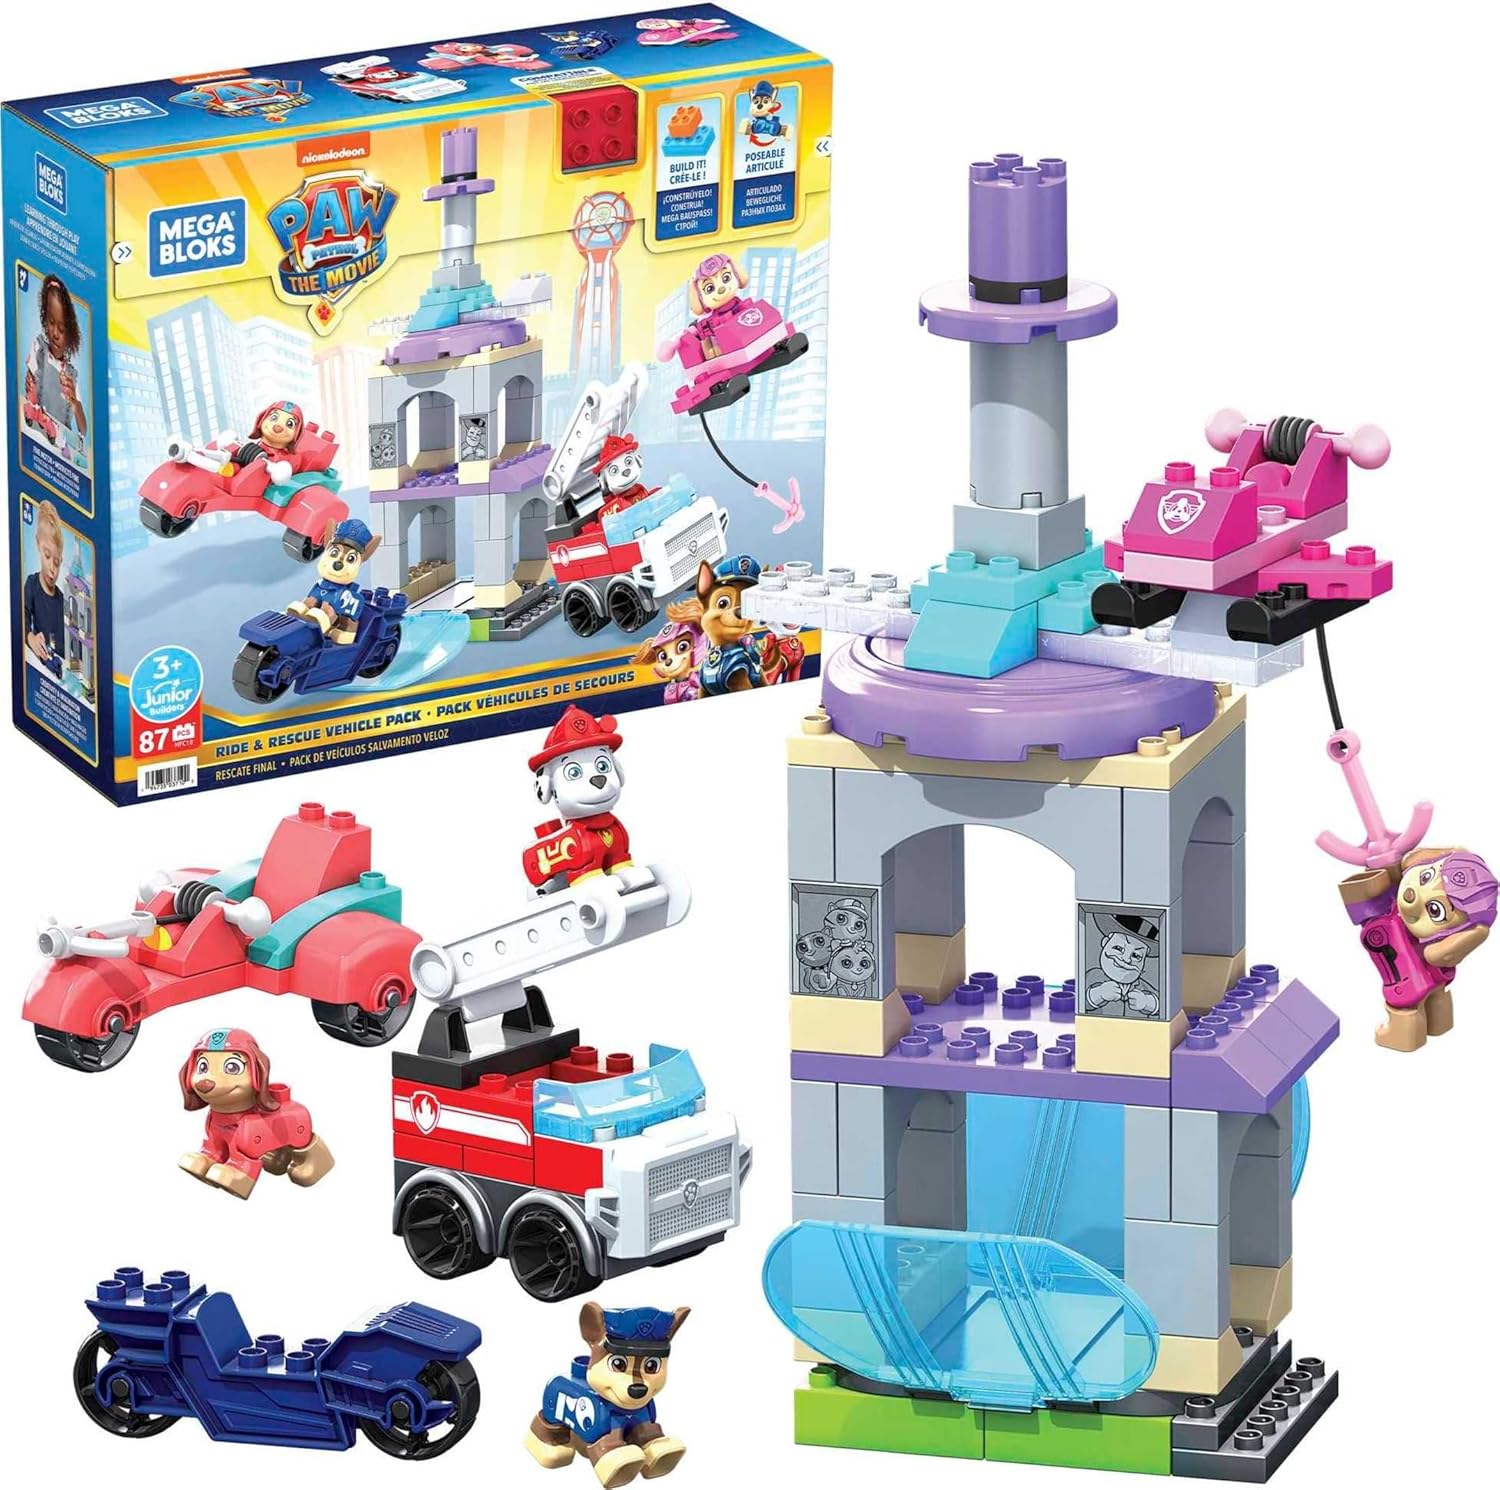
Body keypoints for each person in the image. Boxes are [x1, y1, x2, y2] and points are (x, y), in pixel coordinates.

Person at [25, 274, 87, 439]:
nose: (55, 333)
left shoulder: (70, 376)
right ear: (44, 320)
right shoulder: (39, 349)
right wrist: (30, 386)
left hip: (59, 441)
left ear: (71, 334)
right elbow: (29, 386)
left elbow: (83, 430)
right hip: (35, 431)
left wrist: (74, 402)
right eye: (51, 323)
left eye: (62, 329)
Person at [23, 499, 66, 668]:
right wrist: (30, 638)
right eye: (47, 556)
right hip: (39, 663)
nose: (52, 569)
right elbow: (22, 615)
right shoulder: (32, 584)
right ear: (38, 545)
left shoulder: (62, 600)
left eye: (57, 562)